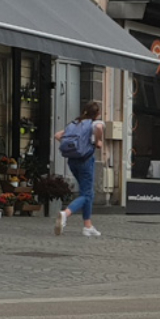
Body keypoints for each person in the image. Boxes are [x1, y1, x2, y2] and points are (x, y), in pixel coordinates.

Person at [54, 101, 104, 237]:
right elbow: (99, 127)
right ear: (97, 114)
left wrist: (74, 147)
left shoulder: (74, 124)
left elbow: (58, 135)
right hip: (85, 161)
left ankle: (88, 226)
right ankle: (66, 214)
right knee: (86, 194)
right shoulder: (93, 123)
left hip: (72, 161)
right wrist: (98, 141)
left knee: (88, 192)